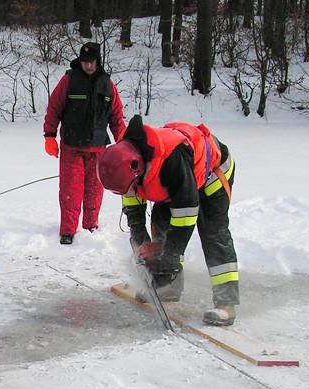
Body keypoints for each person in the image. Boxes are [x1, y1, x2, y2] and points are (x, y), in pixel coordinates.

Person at [97, 115, 239, 326]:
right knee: (161, 225)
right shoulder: (128, 166)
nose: (130, 191)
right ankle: (169, 289)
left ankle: (226, 305)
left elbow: (186, 214)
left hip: (212, 175)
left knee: (213, 234)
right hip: (176, 185)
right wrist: (140, 238)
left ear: (137, 168)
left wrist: (170, 256)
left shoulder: (172, 159)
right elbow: (133, 206)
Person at [43, 41, 125, 245]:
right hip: (72, 146)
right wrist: (49, 136)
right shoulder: (69, 80)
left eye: (91, 62)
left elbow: (116, 117)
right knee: (70, 190)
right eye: (84, 61)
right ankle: (68, 230)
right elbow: (54, 107)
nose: (87, 65)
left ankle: (91, 226)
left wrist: (123, 143)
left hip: (98, 148)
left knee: (94, 190)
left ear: (98, 61)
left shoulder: (108, 84)